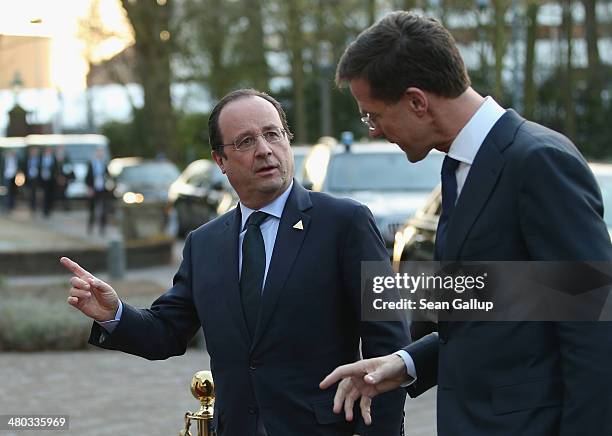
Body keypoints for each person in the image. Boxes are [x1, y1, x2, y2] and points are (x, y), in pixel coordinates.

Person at [319, 11, 612, 436]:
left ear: (418, 101)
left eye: (374, 115)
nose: (375, 131)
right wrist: (407, 363)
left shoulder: (537, 161)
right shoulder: (457, 167)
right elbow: (502, 311)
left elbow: (593, 325)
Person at [61, 89, 410, 436]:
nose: (264, 149)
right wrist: (114, 314)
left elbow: (388, 344)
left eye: (272, 134)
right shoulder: (205, 243)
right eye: (245, 141)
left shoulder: (345, 223)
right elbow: (167, 332)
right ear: (220, 161)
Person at [85, 147, 111, 235]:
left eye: (101, 153)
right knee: (92, 209)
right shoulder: (91, 164)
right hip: (94, 189)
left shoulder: (104, 164)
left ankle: (102, 229)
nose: (100, 154)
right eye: (99, 153)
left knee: (103, 209)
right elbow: (87, 177)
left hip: (102, 189)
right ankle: (90, 228)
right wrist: (89, 188)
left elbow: (108, 176)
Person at [54, 145, 74, 210]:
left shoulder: (66, 159)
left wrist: (65, 178)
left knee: (66, 194)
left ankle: (66, 206)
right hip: (57, 180)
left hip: (65, 180)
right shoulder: (55, 159)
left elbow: (69, 169)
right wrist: (58, 178)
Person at [40, 146, 57, 217]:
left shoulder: (53, 158)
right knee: (44, 195)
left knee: (50, 195)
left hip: (51, 179)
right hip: (43, 179)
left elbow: (55, 168)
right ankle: (44, 210)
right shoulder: (41, 158)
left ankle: (49, 209)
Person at [24, 146, 41, 214]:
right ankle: (31, 206)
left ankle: (35, 206)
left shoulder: (39, 159)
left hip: (37, 178)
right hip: (30, 178)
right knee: (30, 193)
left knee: (37, 193)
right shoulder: (27, 158)